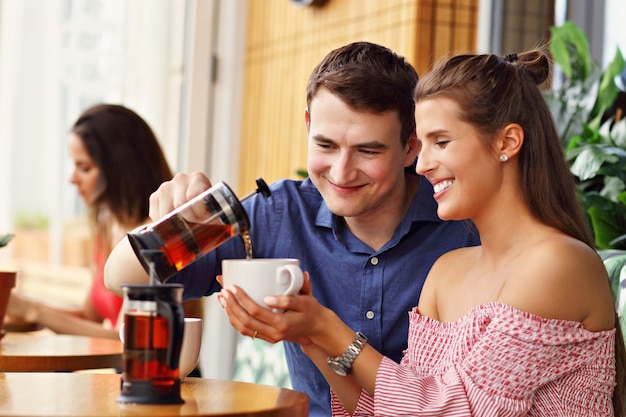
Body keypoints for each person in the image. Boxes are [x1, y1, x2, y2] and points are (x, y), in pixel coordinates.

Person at [218, 48, 626, 416]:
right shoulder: (447, 270)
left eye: (441, 142)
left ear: (507, 141)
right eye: (423, 144)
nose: (422, 164)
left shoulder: (559, 265)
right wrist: (311, 338)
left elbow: (453, 412)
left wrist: (328, 328)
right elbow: (385, 410)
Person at [104, 41, 480, 416]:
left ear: (411, 146)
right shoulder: (280, 212)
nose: (341, 172)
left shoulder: (461, 222)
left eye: (368, 151)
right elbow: (120, 276)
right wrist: (171, 223)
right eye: (325, 145)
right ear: (307, 126)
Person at [7, 104, 203, 340]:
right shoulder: (107, 230)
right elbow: (88, 316)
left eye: (85, 167)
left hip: (166, 374)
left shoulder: (159, 240)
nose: (72, 179)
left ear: (120, 169)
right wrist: (19, 305)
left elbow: (127, 339)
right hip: (122, 374)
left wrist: (34, 311)